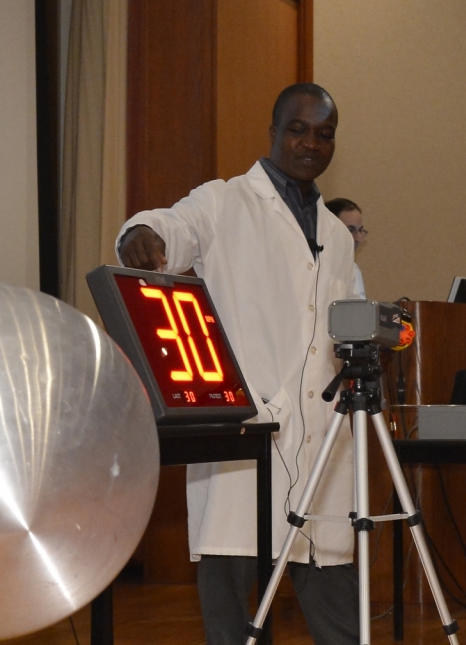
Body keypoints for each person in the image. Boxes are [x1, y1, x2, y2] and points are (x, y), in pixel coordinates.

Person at [117, 83, 358, 645]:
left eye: (325, 134)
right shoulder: (224, 201)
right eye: (297, 129)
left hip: (320, 440)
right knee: (234, 614)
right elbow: (170, 228)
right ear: (272, 132)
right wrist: (142, 234)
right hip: (244, 435)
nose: (309, 143)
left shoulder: (339, 236)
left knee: (336, 606)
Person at [325, 198, 366, 299]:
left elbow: (358, 310)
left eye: (360, 230)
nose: (358, 238)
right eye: (351, 230)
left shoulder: (353, 269)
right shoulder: (314, 268)